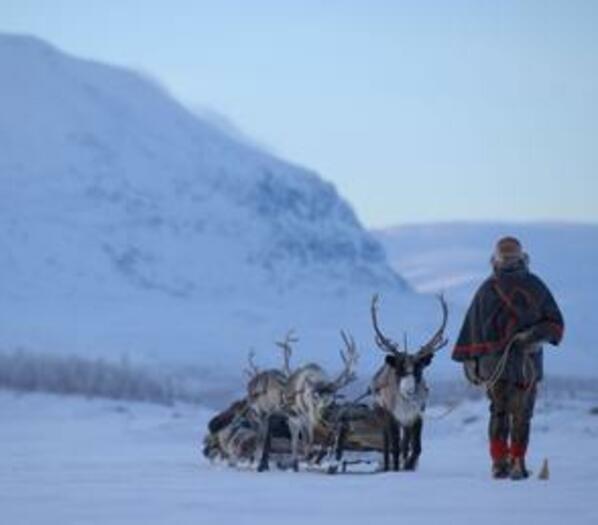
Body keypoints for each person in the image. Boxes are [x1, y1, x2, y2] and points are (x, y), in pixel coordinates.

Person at [452, 236, 564, 480]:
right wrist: (533, 336)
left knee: (501, 411)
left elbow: (472, 329)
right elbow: (553, 323)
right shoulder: (533, 285)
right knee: (520, 412)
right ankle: (514, 462)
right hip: (521, 363)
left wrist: (472, 361)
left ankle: (503, 463)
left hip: (511, 362)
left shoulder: (488, 288)